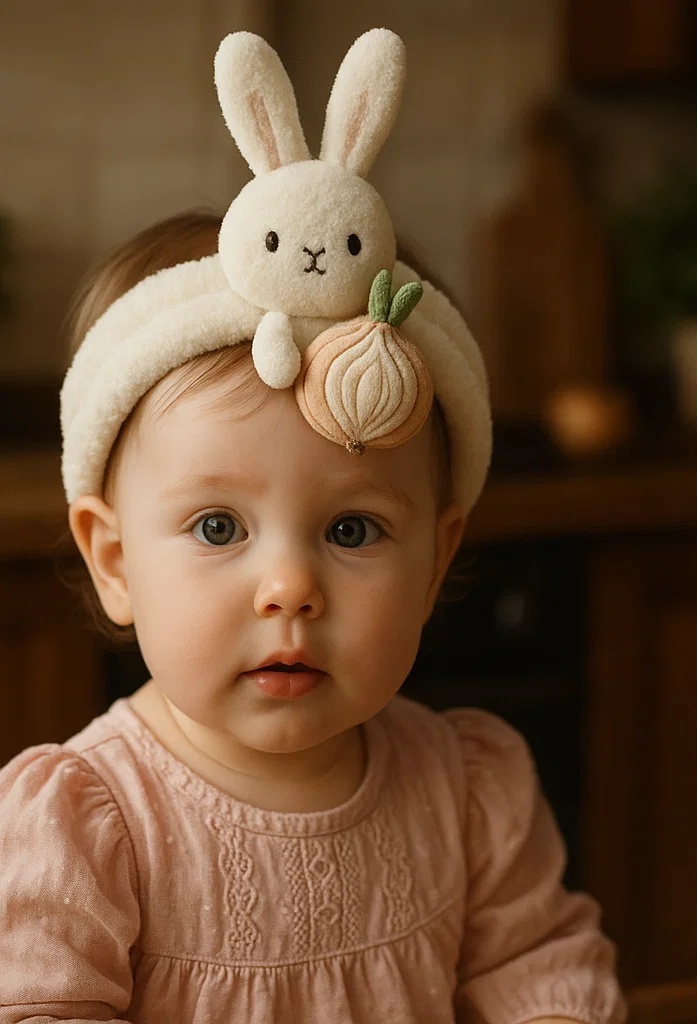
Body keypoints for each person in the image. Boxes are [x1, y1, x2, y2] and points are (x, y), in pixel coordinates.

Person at [0, 28, 624, 1024]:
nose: (289, 586)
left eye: (351, 530)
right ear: (112, 558)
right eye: (215, 526)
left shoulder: (471, 795)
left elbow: (543, 975)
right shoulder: (86, 825)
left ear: (437, 556)